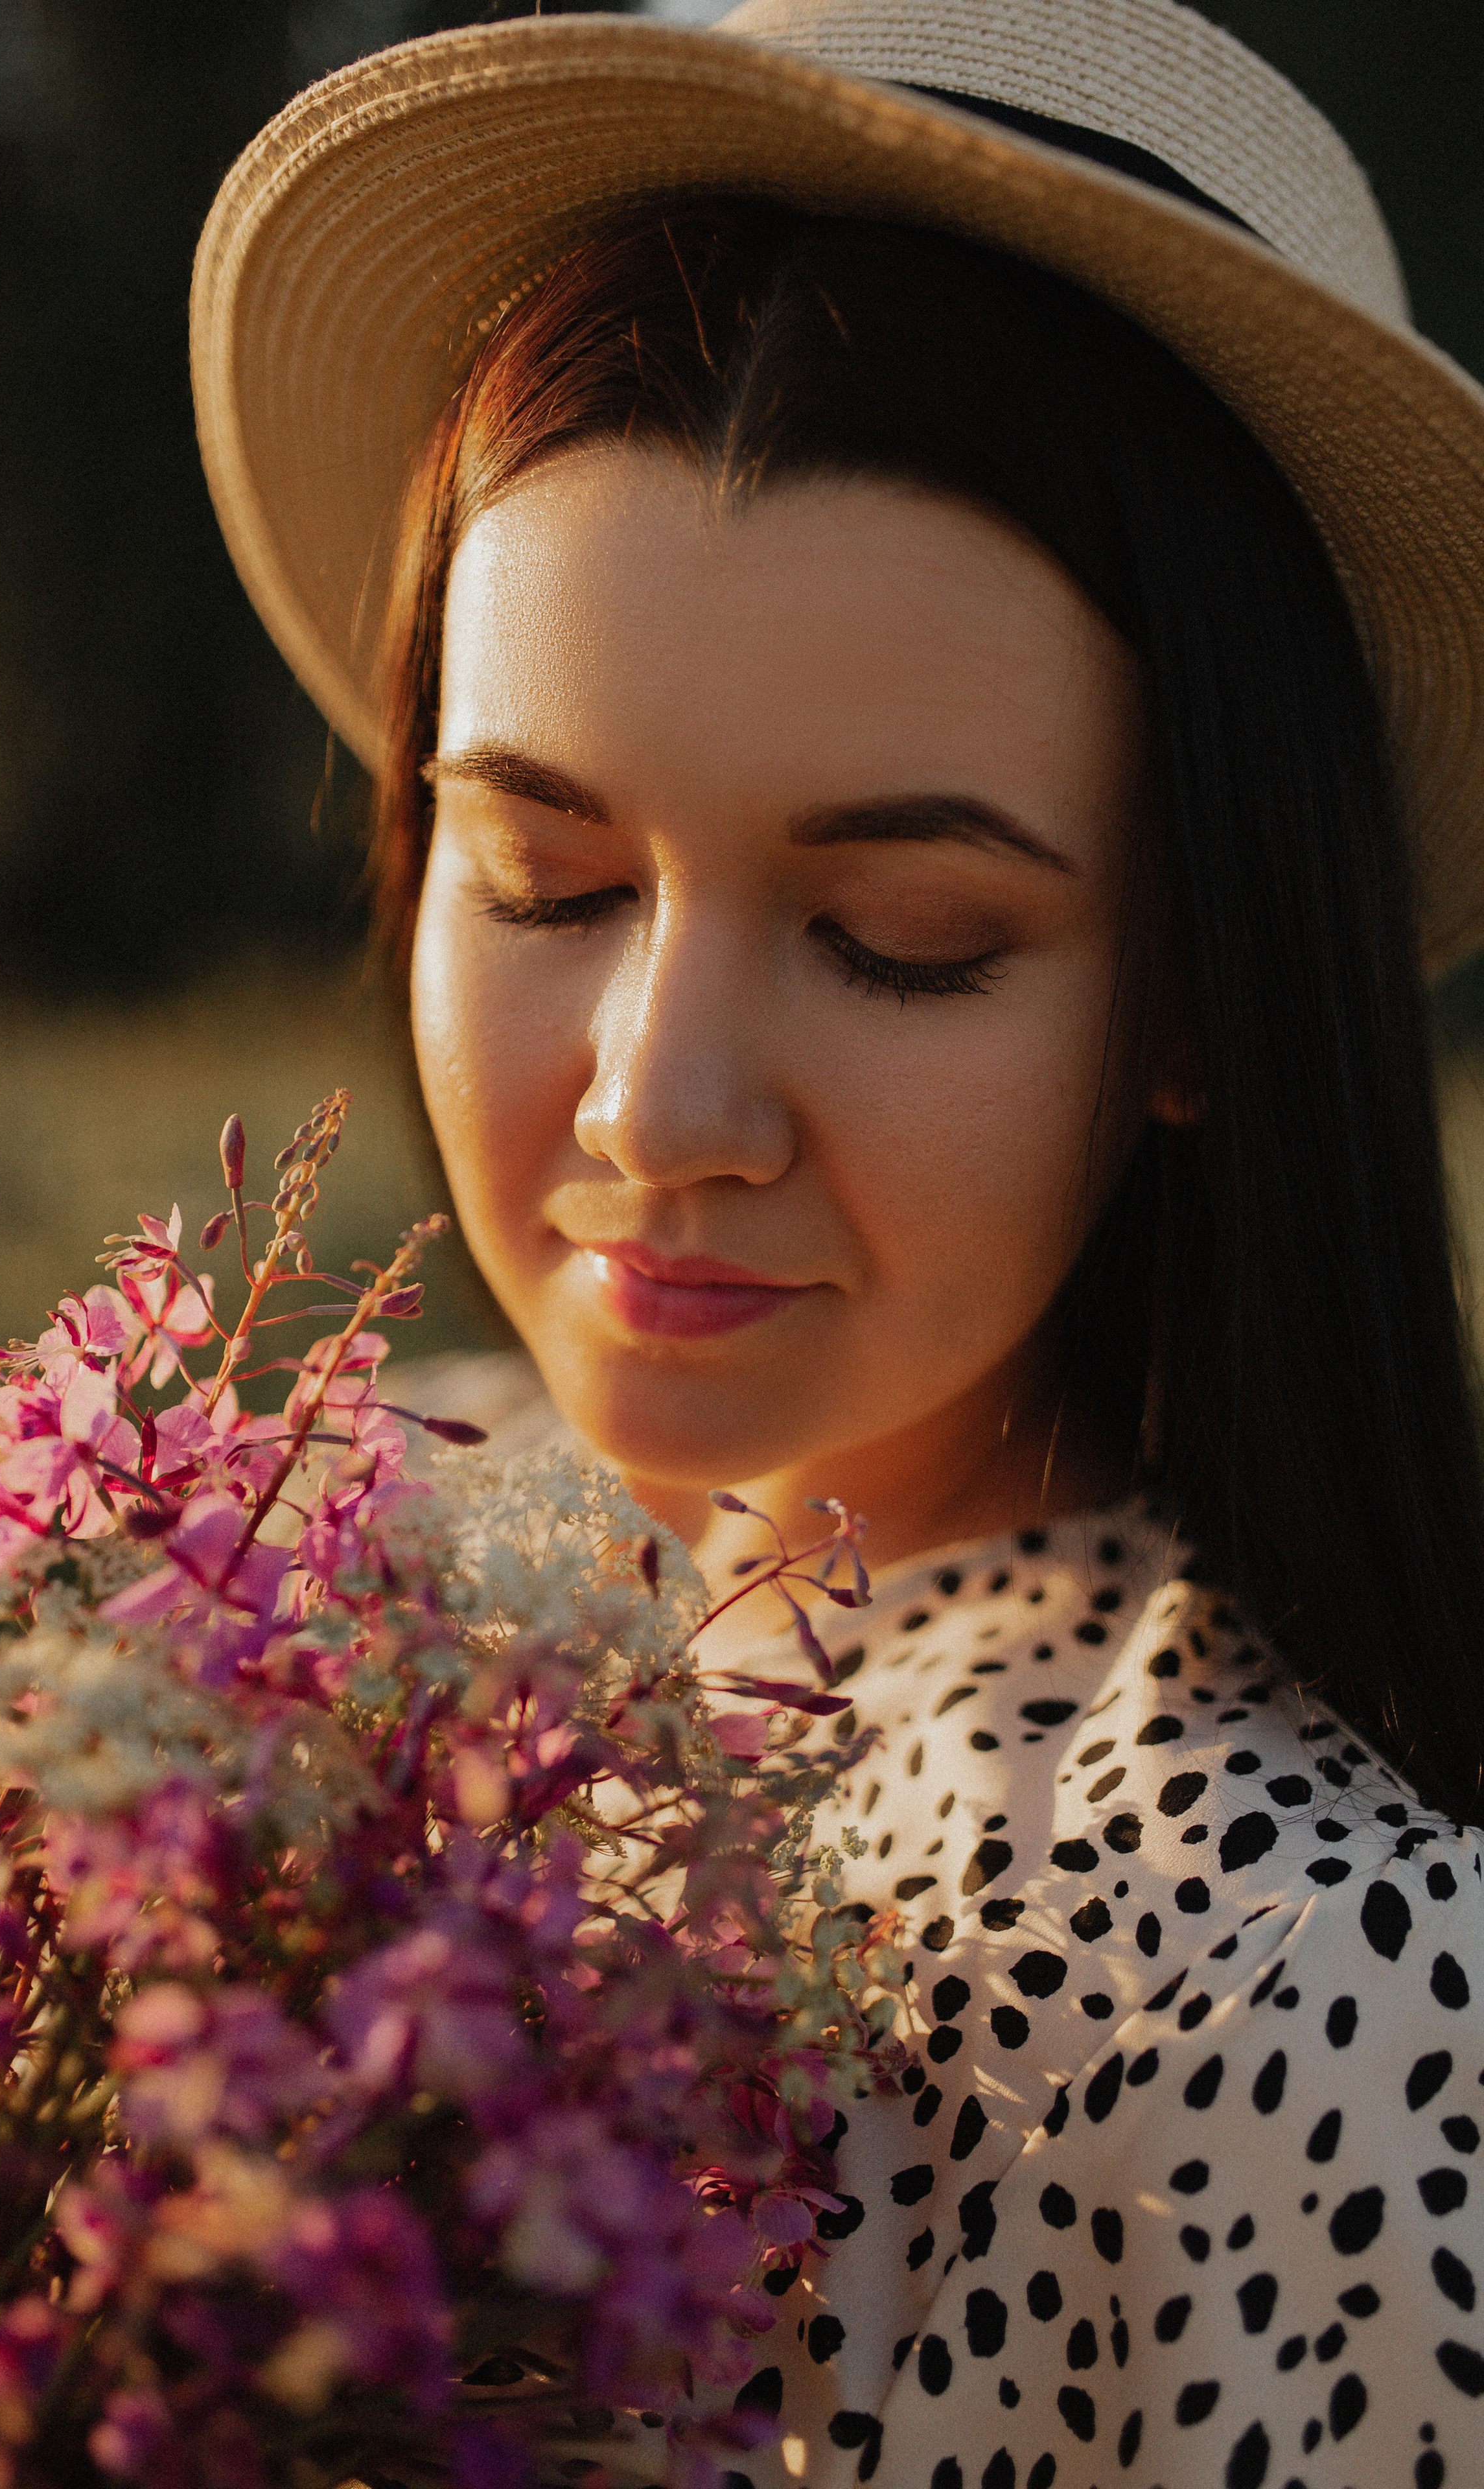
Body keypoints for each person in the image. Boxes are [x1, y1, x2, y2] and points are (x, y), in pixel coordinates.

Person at [191, 2, 1484, 2481]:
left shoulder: (1318, 1991)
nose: (659, 1110)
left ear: (1206, 990)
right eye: (544, 876)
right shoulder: (349, 1571)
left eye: (901, 932)